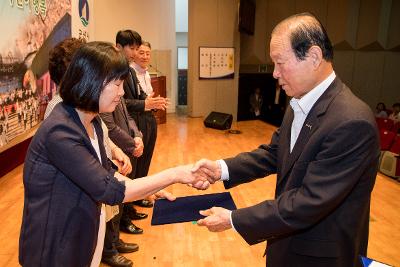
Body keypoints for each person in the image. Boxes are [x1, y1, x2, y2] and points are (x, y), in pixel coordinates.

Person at [192, 13, 380, 267]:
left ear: (313, 57)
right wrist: (221, 169)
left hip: (321, 256)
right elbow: (274, 152)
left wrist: (234, 219)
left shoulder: (352, 122)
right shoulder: (298, 102)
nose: (274, 73)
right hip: (286, 243)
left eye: (280, 63)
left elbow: (309, 201)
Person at [19, 41, 207, 267]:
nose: (121, 92)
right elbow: (109, 190)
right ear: (90, 82)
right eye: (117, 84)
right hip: (54, 247)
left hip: (82, 236)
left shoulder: (93, 121)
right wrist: (175, 174)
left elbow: (107, 174)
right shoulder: (60, 131)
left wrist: (151, 188)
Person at [45, 37, 136, 267]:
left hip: (87, 214)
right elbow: (104, 185)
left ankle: (110, 245)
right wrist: (170, 177)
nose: (121, 92)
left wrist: (114, 152)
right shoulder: (61, 116)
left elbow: (103, 137)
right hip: (66, 227)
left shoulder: (88, 112)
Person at [116, 30, 167, 215]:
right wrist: (146, 103)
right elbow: (125, 104)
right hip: (133, 123)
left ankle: (137, 198)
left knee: (144, 162)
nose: (140, 54)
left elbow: (140, 100)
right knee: (133, 167)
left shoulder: (141, 73)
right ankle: (128, 208)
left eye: (145, 52)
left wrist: (152, 103)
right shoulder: (126, 72)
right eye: (136, 50)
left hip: (143, 121)